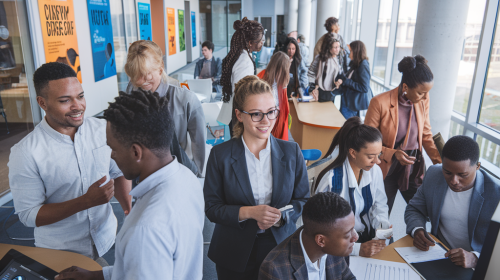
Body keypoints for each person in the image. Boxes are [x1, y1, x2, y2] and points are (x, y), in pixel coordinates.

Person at [55, 89, 205, 280]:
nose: (111, 155)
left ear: (136, 152)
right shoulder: (187, 178)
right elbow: (153, 264)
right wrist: (98, 275)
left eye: (114, 149)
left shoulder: (145, 230)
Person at [8, 62, 132, 262]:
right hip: (61, 252)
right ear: (42, 103)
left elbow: (117, 172)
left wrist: (129, 211)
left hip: (105, 237)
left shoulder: (102, 129)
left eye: (81, 96)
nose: (78, 106)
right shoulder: (25, 153)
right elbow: (29, 215)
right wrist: (85, 202)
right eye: (65, 100)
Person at [204, 76, 310, 280]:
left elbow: (303, 201)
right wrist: (250, 213)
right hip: (233, 250)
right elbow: (212, 208)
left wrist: (282, 217)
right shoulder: (220, 155)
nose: (266, 121)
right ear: (239, 115)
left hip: (279, 245)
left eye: (271, 112)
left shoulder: (291, 152)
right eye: (256, 114)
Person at [405, 136, 500, 269]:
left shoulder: (496, 194)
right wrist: (417, 229)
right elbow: (414, 209)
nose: (454, 180)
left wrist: (476, 258)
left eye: (463, 175)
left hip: (477, 267)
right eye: (447, 172)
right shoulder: (434, 174)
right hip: (440, 255)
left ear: (478, 166)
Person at [365, 55, 442, 214]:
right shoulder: (379, 103)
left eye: (427, 93)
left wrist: (441, 163)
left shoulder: (422, 101)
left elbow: (426, 134)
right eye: (421, 93)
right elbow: (366, 141)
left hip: (413, 166)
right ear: (406, 87)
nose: (425, 97)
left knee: (423, 210)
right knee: (381, 213)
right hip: (387, 166)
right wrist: (393, 154)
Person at [124, 40, 206, 177]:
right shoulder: (131, 92)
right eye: (137, 76)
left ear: (161, 67)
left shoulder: (185, 99)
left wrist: (199, 180)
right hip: (144, 173)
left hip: (179, 171)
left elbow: (199, 144)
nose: (143, 82)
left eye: (147, 74)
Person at [314, 117, 390, 257]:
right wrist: (357, 249)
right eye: (371, 156)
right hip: (339, 246)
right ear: (353, 153)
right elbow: (325, 228)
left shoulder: (374, 171)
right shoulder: (331, 181)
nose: (377, 161)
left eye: (379, 154)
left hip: (367, 236)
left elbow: (379, 204)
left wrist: (382, 226)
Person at [259, 192, 357, 280]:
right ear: (321, 241)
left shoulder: (335, 247)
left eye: (353, 229)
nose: (355, 237)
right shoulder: (275, 269)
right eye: (348, 234)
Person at [217, 17, 264, 130]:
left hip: (235, 112)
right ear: (250, 43)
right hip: (238, 115)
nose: (262, 43)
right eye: (260, 40)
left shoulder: (241, 55)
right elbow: (240, 90)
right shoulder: (244, 61)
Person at [257, 51, 292, 141]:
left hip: (276, 119)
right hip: (264, 120)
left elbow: (284, 106)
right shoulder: (261, 78)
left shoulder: (282, 82)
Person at [336, 40, 373, 119]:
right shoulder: (355, 63)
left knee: (347, 128)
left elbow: (364, 87)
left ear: (356, 51)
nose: (349, 53)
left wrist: (347, 81)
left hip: (352, 105)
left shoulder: (363, 65)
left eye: (350, 51)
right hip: (347, 101)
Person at [308, 35, 343, 102]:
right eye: (335, 47)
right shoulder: (319, 58)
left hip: (331, 92)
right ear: (329, 48)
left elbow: (340, 74)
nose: (338, 49)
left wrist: (339, 80)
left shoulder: (338, 59)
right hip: (319, 91)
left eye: (339, 47)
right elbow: (311, 72)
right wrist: (312, 88)